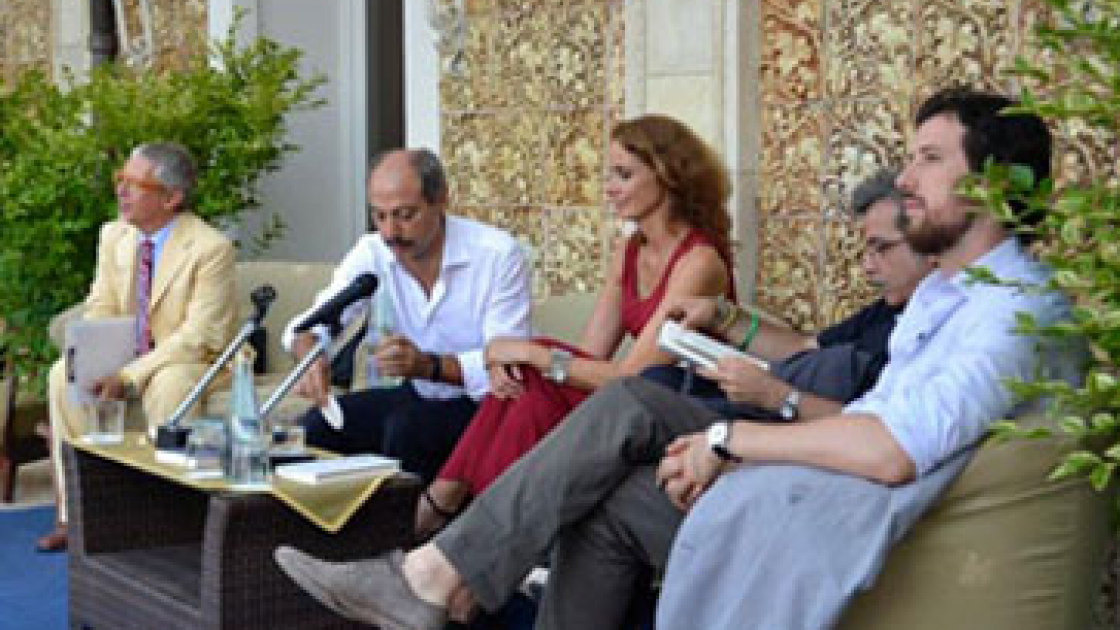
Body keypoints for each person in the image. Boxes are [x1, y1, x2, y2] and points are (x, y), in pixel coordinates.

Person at [271, 87, 1075, 630]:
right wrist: (755, 379)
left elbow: (892, 451)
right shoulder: (943, 298)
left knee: (626, 402)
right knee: (606, 495)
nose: (904, 178)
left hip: (836, 516)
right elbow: (869, 411)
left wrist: (732, 438)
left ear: (994, 186)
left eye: (929, 159)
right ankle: (438, 574)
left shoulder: (1013, 311)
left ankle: (432, 572)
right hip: (810, 479)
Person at [415, 114, 737, 539]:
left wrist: (529, 352)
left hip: (678, 409)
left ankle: (448, 510)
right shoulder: (630, 250)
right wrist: (516, 357)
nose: (609, 188)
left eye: (624, 175)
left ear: (668, 176)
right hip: (631, 401)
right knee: (532, 381)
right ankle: (472, 523)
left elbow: (635, 380)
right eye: (609, 175)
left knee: (536, 366)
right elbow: (588, 357)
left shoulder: (699, 262)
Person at [284, 148, 532, 484]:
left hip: (484, 407)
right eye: (380, 216)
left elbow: (508, 365)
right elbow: (311, 324)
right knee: (314, 428)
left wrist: (428, 366)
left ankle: (406, 521)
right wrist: (310, 355)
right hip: (418, 394)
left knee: (408, 432)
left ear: (441, 200)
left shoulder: (497, 255)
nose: (391, 232)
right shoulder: (373, 251)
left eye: (405, 215)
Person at [39, 142, 237, 552]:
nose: (121, 191)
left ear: (171, 198)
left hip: (192, 360)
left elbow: (199, 336)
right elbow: (102, 305)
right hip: (133, 353)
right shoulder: (114, 235)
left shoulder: (210, 248)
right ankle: (77, 515)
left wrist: (128, 375)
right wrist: (94, 353)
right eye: (121, 180)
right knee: (63, 373)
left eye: (134, 183)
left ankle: (164, 517)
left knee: (169, 382)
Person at [640, 168, 929, 422]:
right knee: (656, 381)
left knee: (642, 410)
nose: (867, 266)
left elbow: (879, 429)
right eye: (867, 251)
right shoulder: (888, 310)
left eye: (881, 248)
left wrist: (775, 395)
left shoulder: (933, 335)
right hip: (773, 404)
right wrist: (720, 317)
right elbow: (805, 347)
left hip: (799, 428)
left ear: (927, 240)